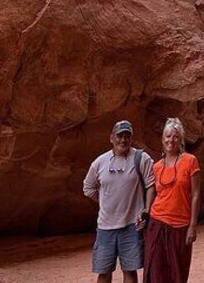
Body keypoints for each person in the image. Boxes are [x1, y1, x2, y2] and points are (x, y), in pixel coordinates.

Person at [84, 120, 155, 283]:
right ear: (111, 138)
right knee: (104, 272)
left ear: (131, 139)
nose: (123, 140)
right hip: (105, 226)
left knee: (129, 271)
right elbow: (88, 188)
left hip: (131, 225)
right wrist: (104, 202)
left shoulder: (140, 158)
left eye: (127, 136)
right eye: (119, 136)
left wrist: (146, 209)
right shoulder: (100, 162)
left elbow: (151, 183)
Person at [144, 118, 201, 283]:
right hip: (157, 223)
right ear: (162, 140)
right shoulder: (156, 167)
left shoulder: (190, 161)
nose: (171, 140)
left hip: (180, 226)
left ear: (181, 139)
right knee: (155, 272)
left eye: (175, 137)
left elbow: (196, 194)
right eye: (168, 137)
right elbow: (153, 194)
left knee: (177, 273)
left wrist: (192, 226)